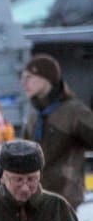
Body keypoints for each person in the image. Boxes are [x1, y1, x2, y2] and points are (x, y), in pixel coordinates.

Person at [20, 54, 93, 210]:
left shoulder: (73, 112)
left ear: (47, 79)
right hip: (36, 197)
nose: (24, 83)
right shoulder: (34, 117)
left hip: (65, 197)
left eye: (29, 77)